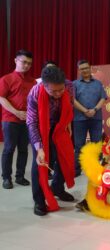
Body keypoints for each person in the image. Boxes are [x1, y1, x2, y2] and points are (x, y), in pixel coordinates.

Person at [27, 66, 75, 216]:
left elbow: (69, 107)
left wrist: (67, 125)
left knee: (63, 158)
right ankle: (39, 200)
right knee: (40, 163)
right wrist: (39, 148)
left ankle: (57, 188)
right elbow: (32, 122)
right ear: (44, 85)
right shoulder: (35, 92)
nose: (59, 94)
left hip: (59, 126)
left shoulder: (69, 87)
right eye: (53, 91)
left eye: (61, 90)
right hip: (41, 127)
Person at [0, 49, 36, 189]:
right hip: (10, 120)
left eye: (29, 63)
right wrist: (16, 112)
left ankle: (20, 176)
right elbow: (1, 98)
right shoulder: (6, 79)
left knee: (23, 149)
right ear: (16, 61)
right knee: (9, 148)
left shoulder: (32, 81)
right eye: (24, 62)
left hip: (27, 121)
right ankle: (6, 178)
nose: (26, 65)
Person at [73, 60, 107, 177]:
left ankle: (97, 168)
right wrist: (85, 111)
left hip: (96, 118)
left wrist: (94, 110)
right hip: (79, 119)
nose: (85, 70)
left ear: (90, 68)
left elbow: (103, 98)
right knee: (79, 145)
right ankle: (77, 170)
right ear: (79, 70)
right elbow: (72, 100)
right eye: (82, 69)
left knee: (97, 144)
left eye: (86, 68)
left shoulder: (98, 83)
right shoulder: (75, 84)